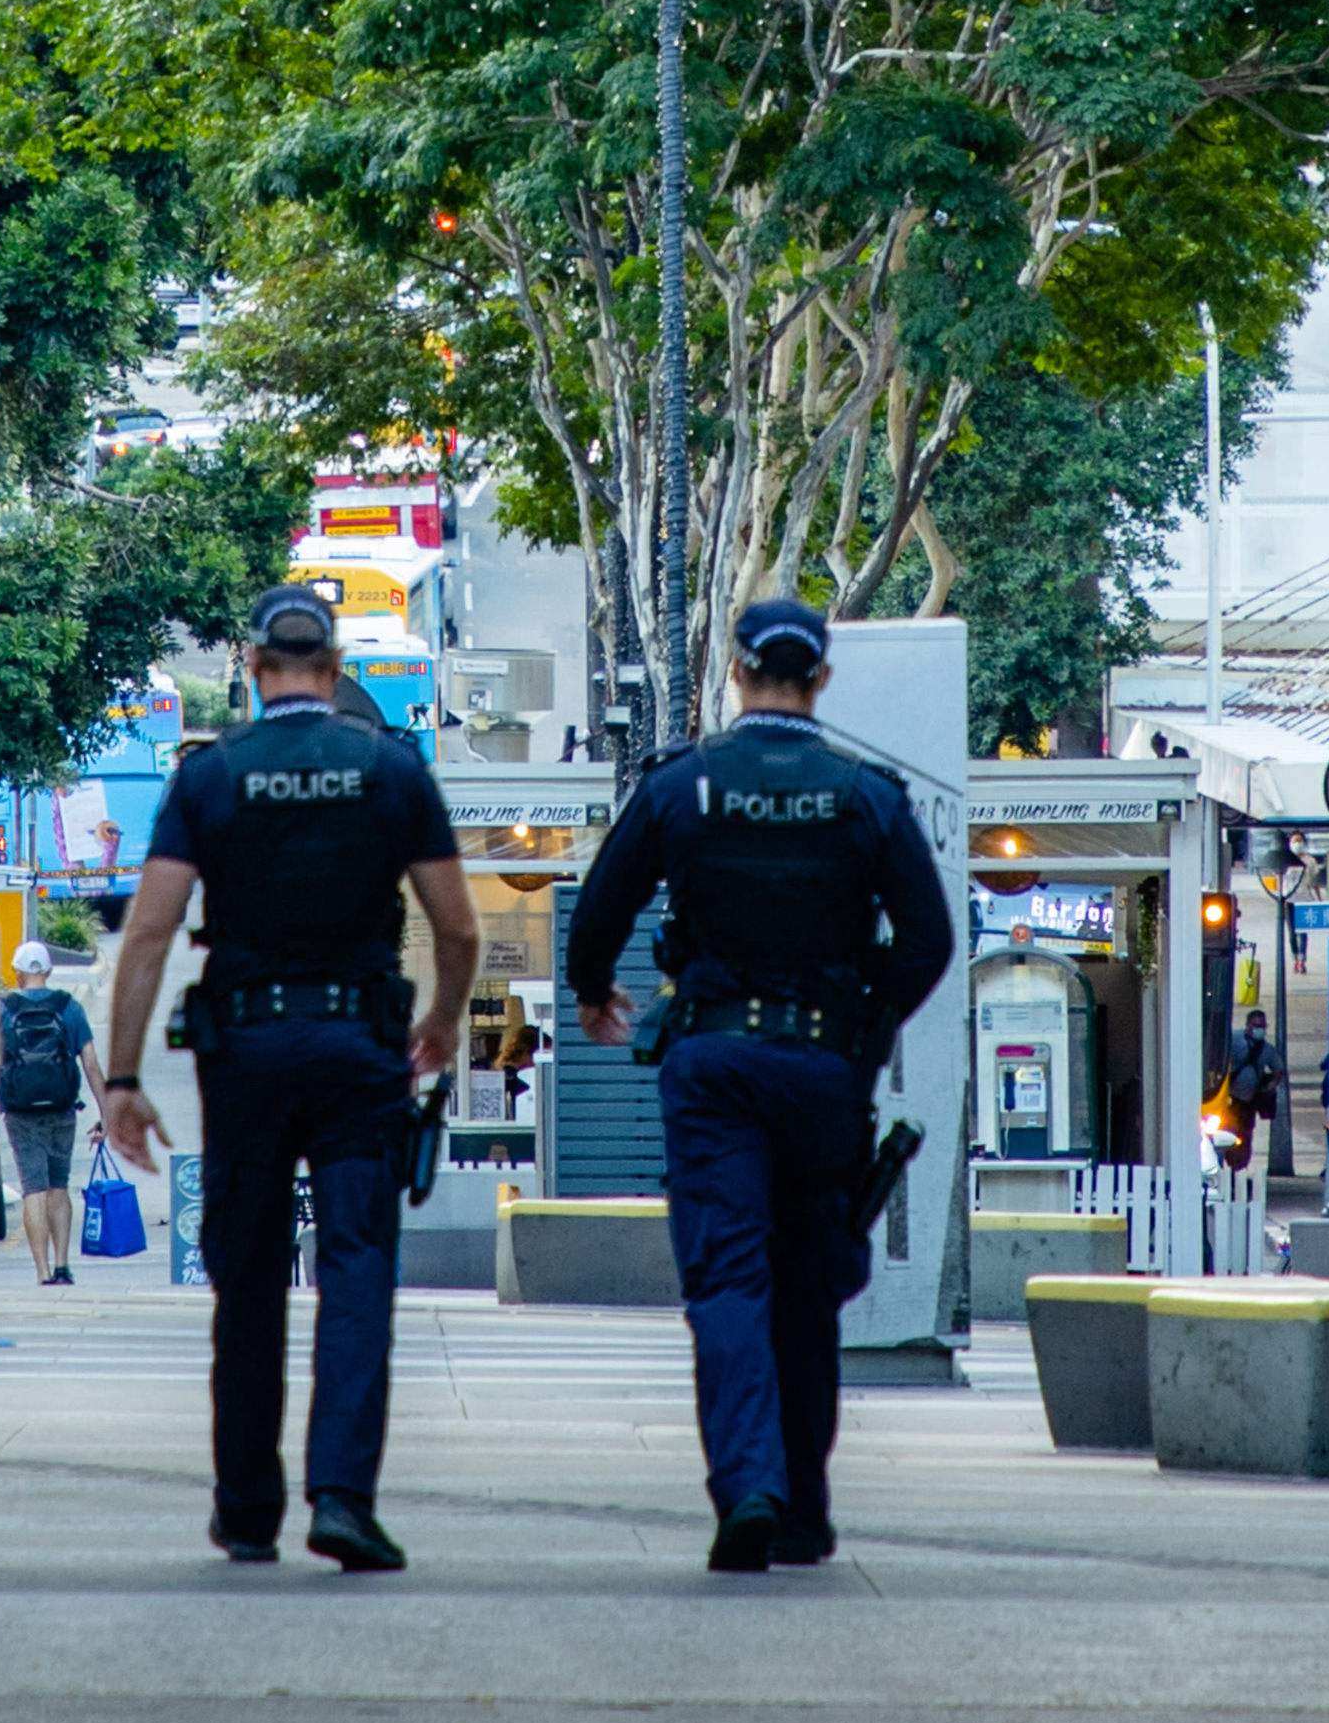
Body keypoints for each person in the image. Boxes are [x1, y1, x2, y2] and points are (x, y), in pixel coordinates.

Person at [563, 596, 954, 1575]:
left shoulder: (684, 785)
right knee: (808, 1280)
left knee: (728, 1279)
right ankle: (805, 1509)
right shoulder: (865, 795)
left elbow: (599, 909)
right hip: (822, 1067)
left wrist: (592, 990)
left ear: (736, 672)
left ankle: (747, 1483)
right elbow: (930, 941)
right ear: (819, 677)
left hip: (713, 1065)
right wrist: (861, 1033)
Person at [101, 584, 479, 1573]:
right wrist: (439, 1021)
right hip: (360, 1049)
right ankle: (344, 1497)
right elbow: (458, 924)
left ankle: (247, 1505)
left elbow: (147, 931)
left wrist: (125, 1073)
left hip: (249, 1051)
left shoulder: (212, 775)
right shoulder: (390, 769)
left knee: (250, 1274)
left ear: (253, 663)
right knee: (357, 1266)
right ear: (334, 657)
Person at [0, 940, 106, 1284]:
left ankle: (42, 1271)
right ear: (48, 971)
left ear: (17, 973)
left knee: (33, 1188)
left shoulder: (3, 1010)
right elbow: (90, 1064)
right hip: (62, 1110)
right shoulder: (69, 1008)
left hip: (20, 1112)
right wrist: (106, 1114)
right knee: (59, 1186)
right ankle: (62, 1265)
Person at [1222, 1006, 1284, 1178]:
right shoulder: (1234, 1040)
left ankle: (1239, 1166)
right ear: (1248, 1025)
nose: (1260, 1030)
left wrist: (1269, 1087)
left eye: (1263, 1026)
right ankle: (1227, 1161)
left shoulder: (1266, 1049)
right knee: (1227, 1131)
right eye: (1256, 1026)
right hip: (1230, 1098)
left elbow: (1278, 1070)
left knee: (1246, 1134)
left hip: (1250, 1100)